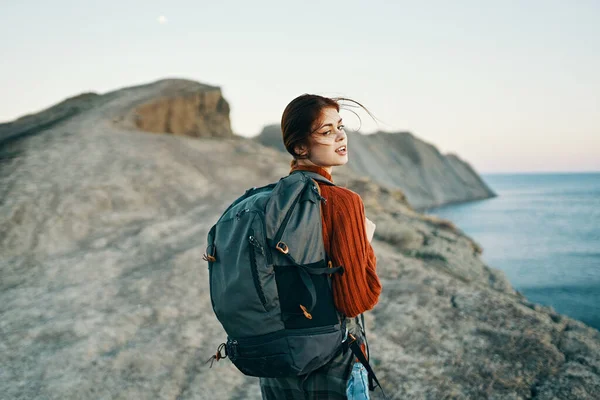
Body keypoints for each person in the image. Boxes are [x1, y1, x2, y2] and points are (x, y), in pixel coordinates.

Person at [259, 94, 382, 399]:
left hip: (276, 360)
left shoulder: (265, 202)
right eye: (327, 132)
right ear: (300, 147)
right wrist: (364, 245)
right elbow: (356, 301)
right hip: (330, 361)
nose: (341, 136)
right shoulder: (343, 201)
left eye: (340, 127)